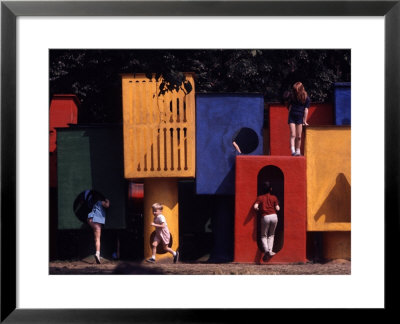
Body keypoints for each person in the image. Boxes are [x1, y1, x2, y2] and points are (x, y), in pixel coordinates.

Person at [254, 181, 280, 261]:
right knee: (271, 235)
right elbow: (278, 208)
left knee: (263, 235)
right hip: (274, 216)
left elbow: (255, 206)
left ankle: (266, 251)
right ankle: (270, 250)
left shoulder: (260, 197)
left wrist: (258, 209)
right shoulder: (274, 197)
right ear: (271, 189)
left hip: (265, 217)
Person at [287, 82, 310, 156]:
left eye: (296, 90)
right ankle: (293, 151)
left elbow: (306, 110)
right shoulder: (292, 96)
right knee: (293, 134)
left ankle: (298, 150)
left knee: (299, 136)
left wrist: (304, 121)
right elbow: (289, 106)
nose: (295, 91)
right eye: (294, 90)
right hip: (292, 117)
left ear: (300, 89)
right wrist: (289, 115)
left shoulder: (306, 98)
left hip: (300, 117)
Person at [87, 196, 110, 264]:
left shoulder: (95, 205)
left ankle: (98, 254)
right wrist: (107, 200)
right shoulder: (101, 202)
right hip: (96, 220)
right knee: (98, 239)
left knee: (96, 237)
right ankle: (97, 253)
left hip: (90, 219)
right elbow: (107, 205)